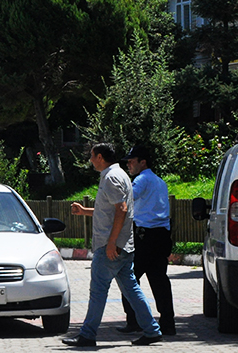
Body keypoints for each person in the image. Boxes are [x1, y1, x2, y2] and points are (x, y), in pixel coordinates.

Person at [62, 143, 162, 347]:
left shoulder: (111, 177)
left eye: (92, 156)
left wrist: (111, 243)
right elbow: (110, 210)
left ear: (100, 157)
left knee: (98, 290)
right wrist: (85, 211)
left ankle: (87, 335)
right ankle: (152, 330)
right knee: (132, 289)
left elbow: (121, 209)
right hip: (123, 245)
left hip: (112, 247)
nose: (90, 160)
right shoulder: (120, 175)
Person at [117, 146, 176, 336]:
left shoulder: (141, 180)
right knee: (159, 281)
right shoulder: (160, 182)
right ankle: (168, 323)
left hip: (144, 236)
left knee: (128, 278)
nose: (128, 165)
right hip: (161, 235)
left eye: (132, 161)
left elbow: (127, 200)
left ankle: (134, 320)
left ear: (143, 162)